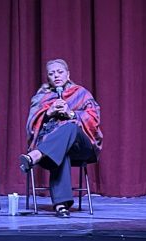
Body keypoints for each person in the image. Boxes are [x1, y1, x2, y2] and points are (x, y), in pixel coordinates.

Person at [19, 59, 103, 218]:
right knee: (61, 151)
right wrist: (48, 112)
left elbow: (94, 119)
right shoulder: (42, 97)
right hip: (51, 148)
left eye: (59, 72)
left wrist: (71, 113)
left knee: (70, 126)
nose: (56, 76)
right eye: (51, 73)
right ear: (48, 78)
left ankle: (35, 156)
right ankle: (61, 205)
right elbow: (30, 126)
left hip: (82, 146)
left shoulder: (81, 93)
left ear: (68, 74)